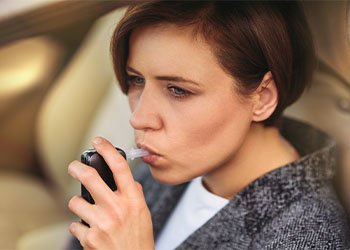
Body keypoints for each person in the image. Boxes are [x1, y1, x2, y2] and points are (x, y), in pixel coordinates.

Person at [67, 1, 349, 249]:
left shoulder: (308, 237)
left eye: (178, 90)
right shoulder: (173, 163)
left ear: (262, 97)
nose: (138, 119)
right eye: (136, 80)